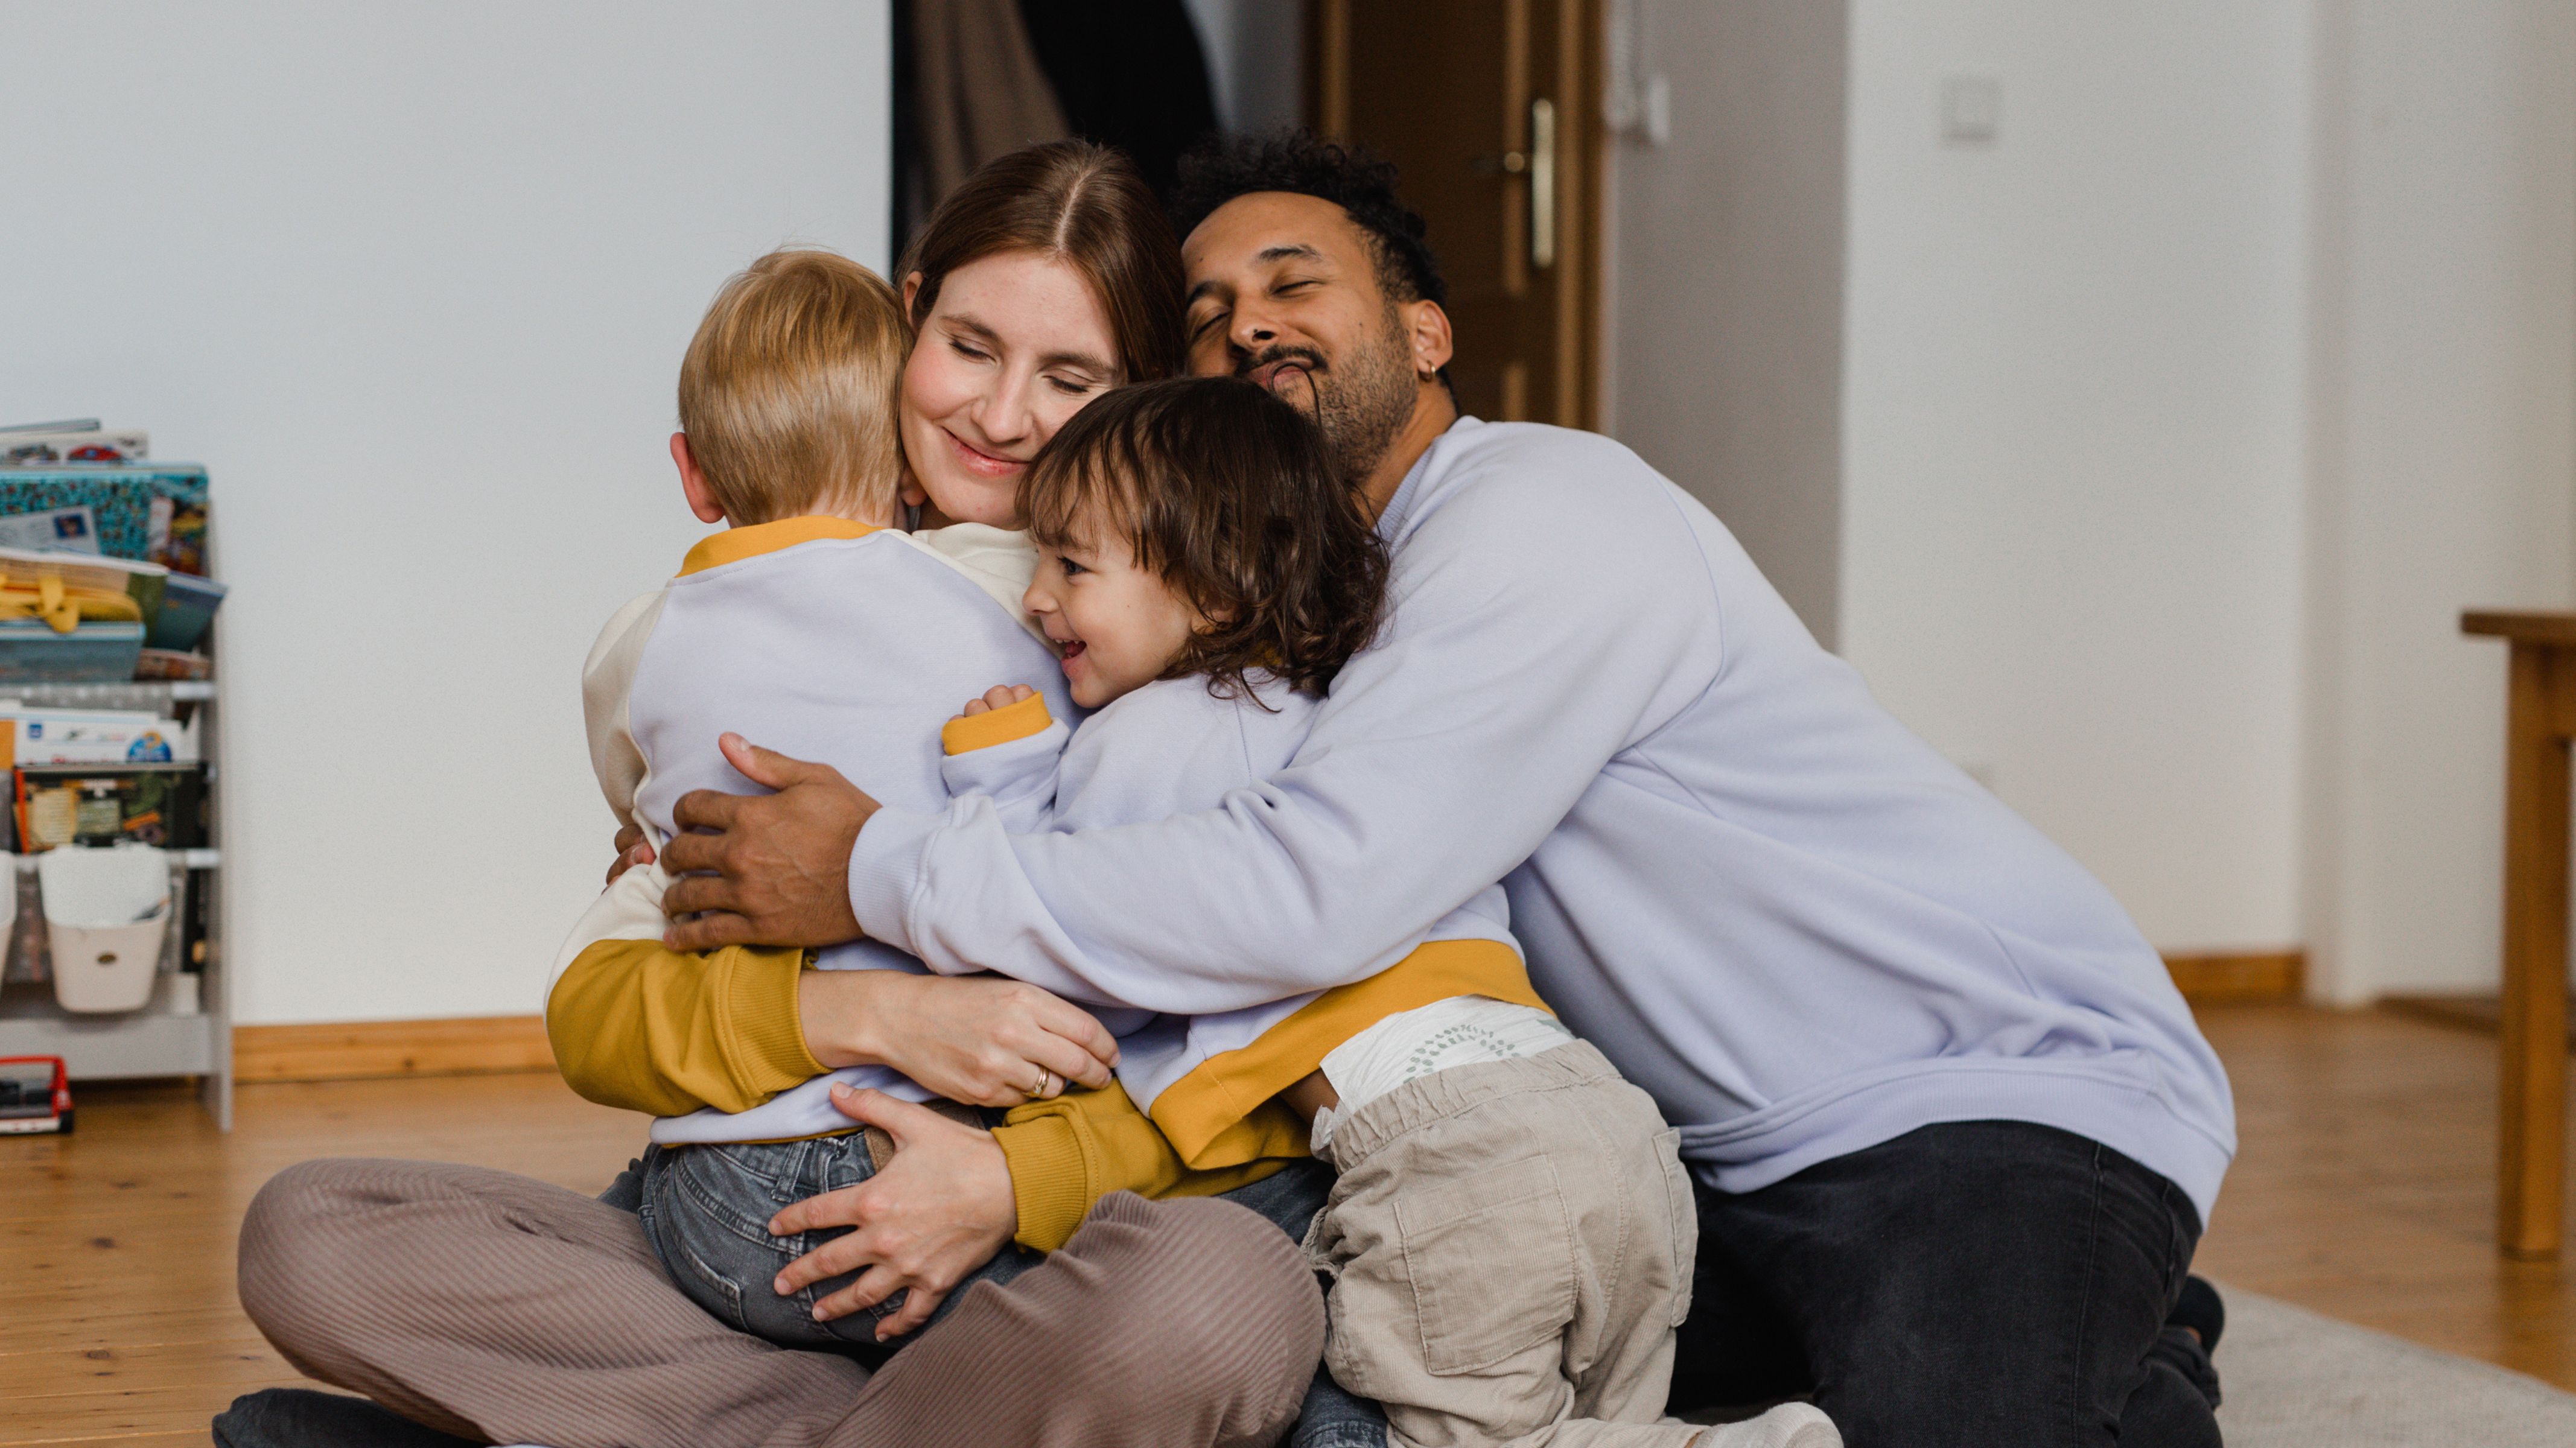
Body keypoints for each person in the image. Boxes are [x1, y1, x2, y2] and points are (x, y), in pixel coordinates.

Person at [646, 132, 2237, 1448]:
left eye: (1295, 283)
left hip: (1974, 1093)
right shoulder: (1262, 620)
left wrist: (872, 870)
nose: (1246, 326)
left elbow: (1310, 890)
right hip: (1692, 1156)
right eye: (1201, 315)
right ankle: (2120, 1341)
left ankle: (2118, 1344)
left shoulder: (1539, 512)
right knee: (1403, 1360)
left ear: (1422, 334)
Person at [221, 142, 1330, 1448]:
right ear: (904, 317)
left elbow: (1254, 1053)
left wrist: (1005, 1179)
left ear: (1133, 393)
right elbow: (602, 1007)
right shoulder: (755, 616)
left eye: (1071, 377)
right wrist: (871, 1012)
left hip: (1049, 1238)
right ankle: (898, 1422)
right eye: (971, 346)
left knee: (1226, 1297)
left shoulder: (1154, 632)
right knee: (310, 1235)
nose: (1004, 415)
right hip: (806, 1231)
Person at [935, 372, 1839, 1448]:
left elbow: (1067, 934)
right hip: (1607, 1126)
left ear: (1213, 595)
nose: (1038, 598)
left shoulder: (1143, 738)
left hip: (1448, 1161)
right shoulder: (1341, 722)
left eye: (1071, 565)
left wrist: (999, 773)